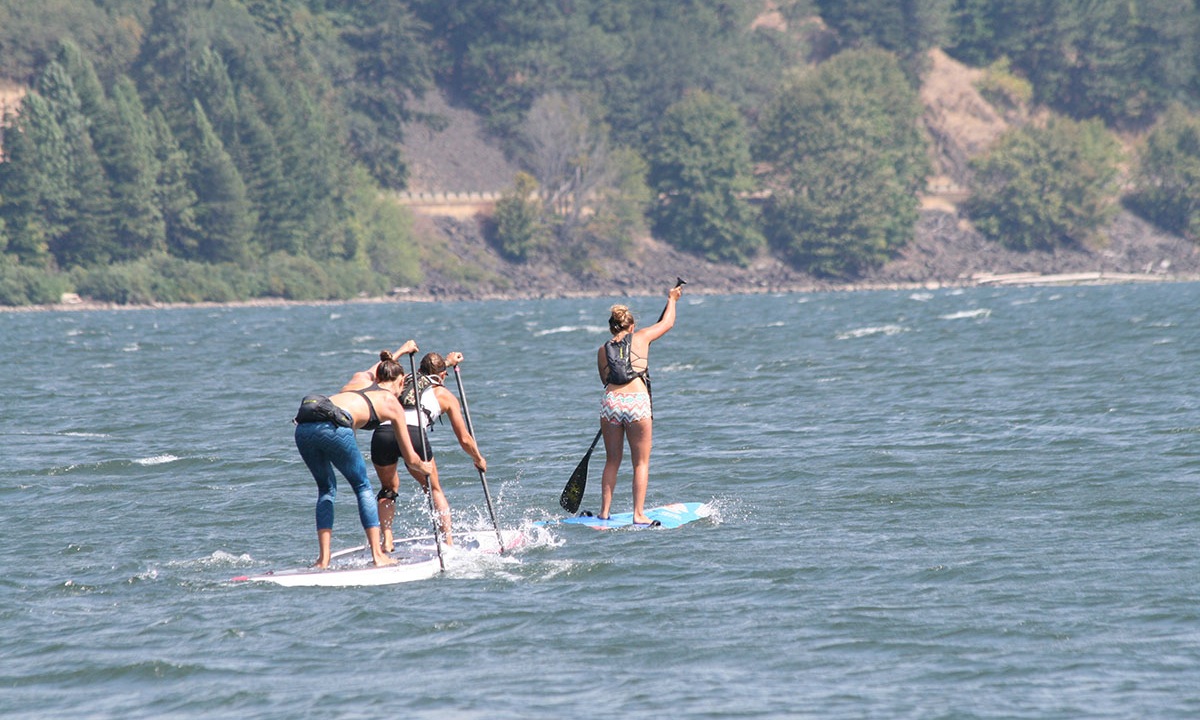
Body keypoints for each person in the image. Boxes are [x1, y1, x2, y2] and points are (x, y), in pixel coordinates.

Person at [293, 346, 431, 568]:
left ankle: (323, 560)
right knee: (363, 487)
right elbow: (410, 457)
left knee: (326, 489)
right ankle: (378, 556)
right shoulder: (391, 403)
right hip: (334, 428)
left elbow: (380, 367)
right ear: (401, 381)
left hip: (303, 427)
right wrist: (424, 468)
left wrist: (402, 350)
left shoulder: (360, 379)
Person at [596, 282, 683, 524]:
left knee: (612, 460)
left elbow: (606, 379)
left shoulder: (603, 349)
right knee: (641, 462)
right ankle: (638, 514)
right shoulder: (642, 337)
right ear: (632, 327)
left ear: (612, 328)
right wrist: (672, 299)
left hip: (611, 402)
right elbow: (667, 323)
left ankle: (604, 513)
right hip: (637, 402)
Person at [379, 351, 486, 548]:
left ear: (419, 369)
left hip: (383, 432)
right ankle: (448, 542)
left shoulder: (403, 377)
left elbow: (428, 369)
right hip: (412, 433)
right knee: (433, 489)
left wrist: (447, 361)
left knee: (388, 489)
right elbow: (464, 439)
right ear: (443, 375)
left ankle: (387, 541)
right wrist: (478, 458)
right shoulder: (443, 394)